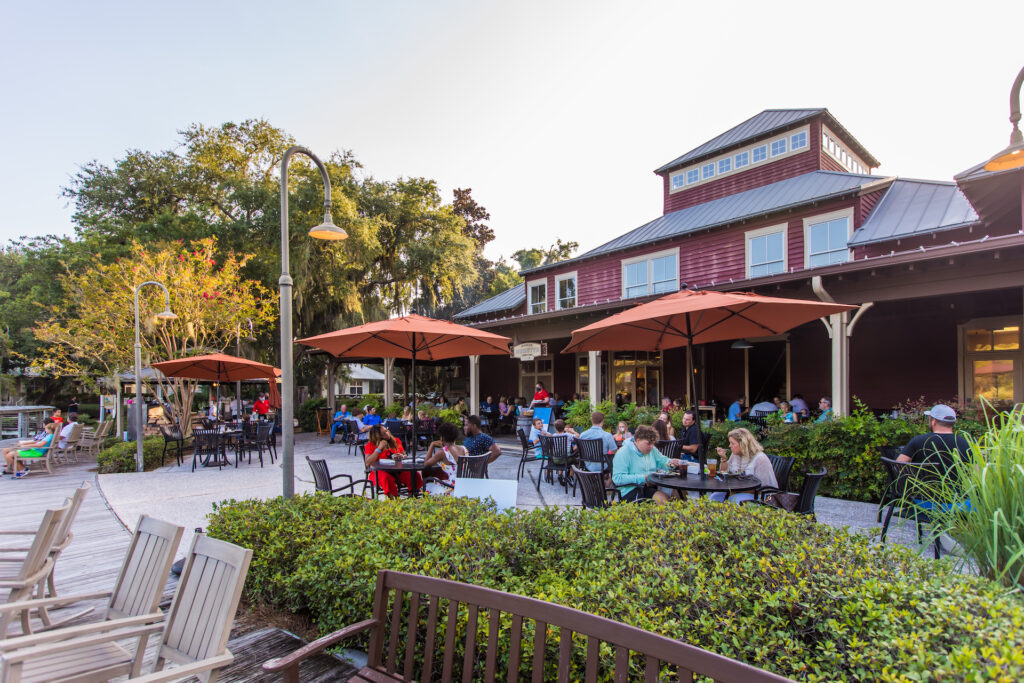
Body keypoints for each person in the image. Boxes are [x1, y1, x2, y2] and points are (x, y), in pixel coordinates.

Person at [612, 424, 684, 503]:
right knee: (663, 499)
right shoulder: (624, 452)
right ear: (638, 440)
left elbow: (662, 461)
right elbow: (617, 478)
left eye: (653, 443)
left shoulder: (652, 450)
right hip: (631, 490)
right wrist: (643, 478)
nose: (652, 446)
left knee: (680, 492)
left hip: (652, 485)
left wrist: (671, 463)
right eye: (648, 443)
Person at [712, 428, 778, 503]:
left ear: (743, 444)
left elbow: (763, 488)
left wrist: (735, 491)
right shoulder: (735, 455)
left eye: (732, 443)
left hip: (759, 495)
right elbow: (724, 472)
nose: (730, 446)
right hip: (736, 490)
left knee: (733, 500)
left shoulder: (760, 459)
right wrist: (723, 458)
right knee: (715, 497)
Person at [896, 404, 970, 471]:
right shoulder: (966, 443)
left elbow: (898, 465)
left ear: (934, 422)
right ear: (953, 423)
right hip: (956, 486)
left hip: (921, 485)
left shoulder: (918, 441)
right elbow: (977, 473)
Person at [364, 424, 419, 498]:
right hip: (379, 472)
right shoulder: (370, 445)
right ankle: (394, 501)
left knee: (413, 474)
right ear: (378, 437)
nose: (387, 434)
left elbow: (405, 455)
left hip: (398, 470)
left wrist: (402, 456)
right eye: (383, 434)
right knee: (386, 478)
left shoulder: (396, 441)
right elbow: (368, 463)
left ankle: (413, 497)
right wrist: (379, 449)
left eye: (386, 431)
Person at [422, 421, 464, 492]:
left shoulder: (443, 452)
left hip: (451, 488)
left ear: (442, 438)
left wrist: (432, 445)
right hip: (464, 485)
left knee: (428, 487)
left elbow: (426, 464)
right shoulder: (464, 449)